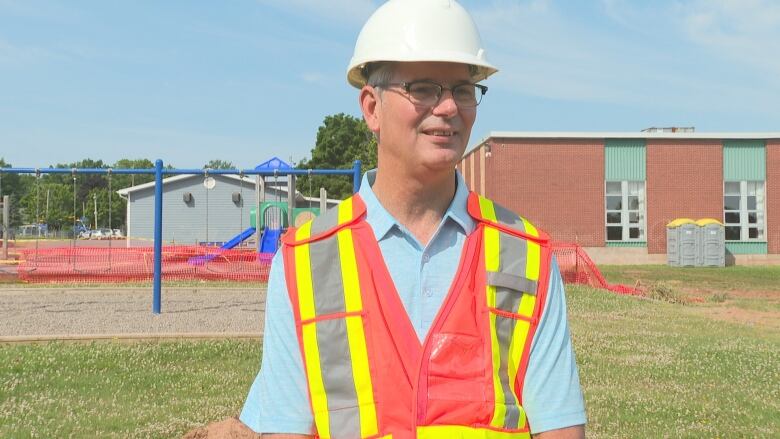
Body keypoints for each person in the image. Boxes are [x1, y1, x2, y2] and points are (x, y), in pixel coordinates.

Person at [240, 1, 586, 438]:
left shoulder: (525, 255)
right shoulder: (304, 262)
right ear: (372, 107)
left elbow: (560, 429)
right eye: (423, 88)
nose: (448, 108)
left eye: (462, 89)